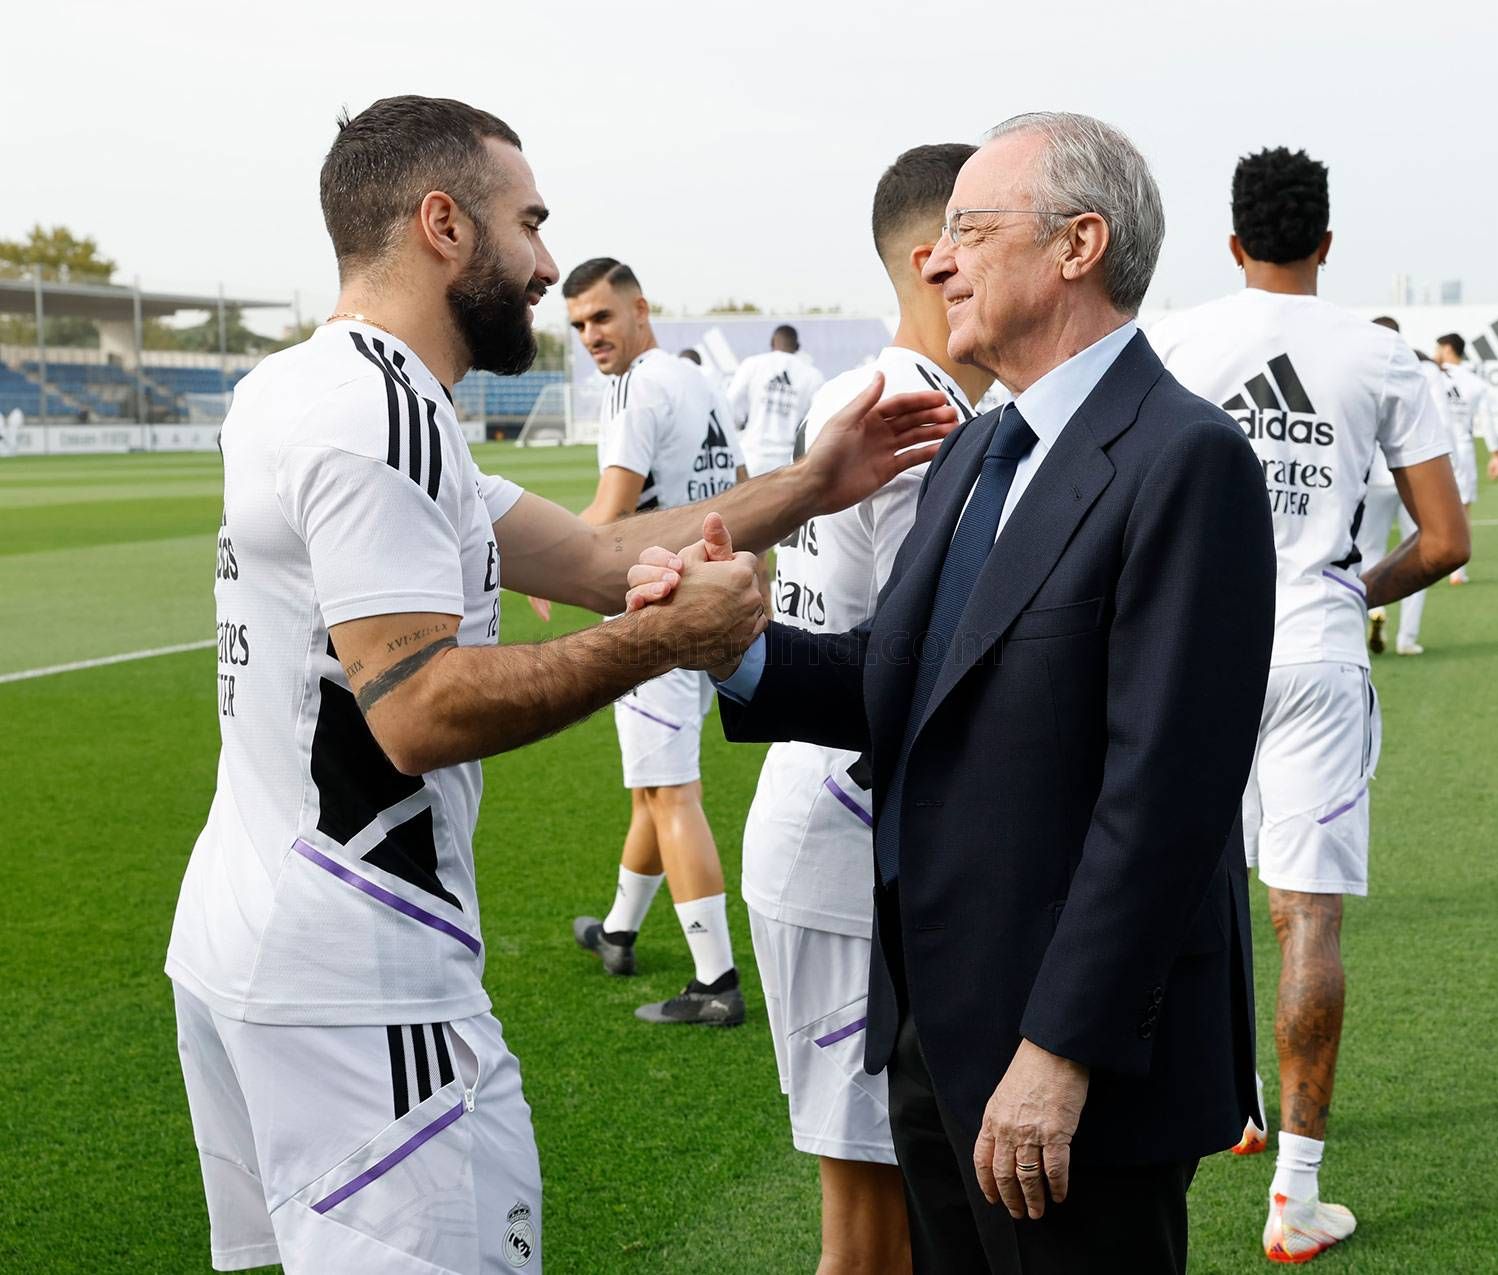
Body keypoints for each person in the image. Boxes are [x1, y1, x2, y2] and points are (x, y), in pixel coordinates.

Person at [163, 94, 956, 1275]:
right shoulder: (377, 411)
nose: (542, 262)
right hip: (361, 974)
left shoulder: (312, 388)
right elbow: (419, 712)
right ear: (443, 223)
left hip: (245, 946)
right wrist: (663, 643)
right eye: (526, 223)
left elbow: (598, 558)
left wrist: (812, 483)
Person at [630, 111, 1276, 1274]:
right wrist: (735, 644)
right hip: (933, 1033)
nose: (936, 260)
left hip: (1069, 1064)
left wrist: (1061, 1051)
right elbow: (901, 680)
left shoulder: (1186, 459)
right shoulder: (977, 448)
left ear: (1078, 246)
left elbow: (1167, 801)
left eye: (970, 230)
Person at [1151, 146, 1468, 1263]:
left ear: (1232, 243)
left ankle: (1223, 1108)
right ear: (1328, 243)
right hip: (1316, 659)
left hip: (1194, 654)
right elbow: (1446, 540)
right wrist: (1350, 587)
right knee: (1309, 919)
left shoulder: (1179, 339)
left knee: (1190, 892)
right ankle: (1295, 1195)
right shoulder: (1381, 359)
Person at [741, 141, 992, 1274]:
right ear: (943, 259)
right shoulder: (911, 406)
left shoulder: (921, 397)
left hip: (863, 835)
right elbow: (910, 661)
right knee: (872, 1232)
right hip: (845, 843)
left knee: (916, 1208)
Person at [563, 257, 749, 1027]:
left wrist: (552, 557)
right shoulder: (696, 377)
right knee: (654, 781)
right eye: (576, 326)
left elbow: (611, 505)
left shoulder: (637, 385)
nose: (589, 337)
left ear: (640, 309)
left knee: (672, 792)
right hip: (705, 605)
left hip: (656, 610)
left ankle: (717, 981)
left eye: (601, 318)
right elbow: (740, 481)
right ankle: (618, 931)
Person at [1357, 319, 1455, 656]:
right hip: (1416, 472)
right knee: (1423, 547)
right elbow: (1442, 422)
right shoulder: (1423, 369)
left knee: (1367, 550)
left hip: (1373, 475)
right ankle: (1407, 638)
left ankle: (1364, 612)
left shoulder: (1359, 365)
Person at [1433, 332, 1496, 580]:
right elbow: (1487, 422)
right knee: (1462, 508)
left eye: (1438, 348)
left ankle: (1430, 563)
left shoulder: (1430, 376)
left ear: (1448, 348)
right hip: (1463, 447)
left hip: (1435, 447)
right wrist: (1495, 453)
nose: (1436, 352)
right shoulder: (1475, 382)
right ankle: (1457, 570)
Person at [726, 323, 825, 475]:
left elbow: (731, 404)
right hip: (788, 462)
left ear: (772, 342)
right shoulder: (812, 375)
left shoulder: (752, 364)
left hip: (751, 457)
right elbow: (818, 420)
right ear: (797, 346)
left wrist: (740, 423)